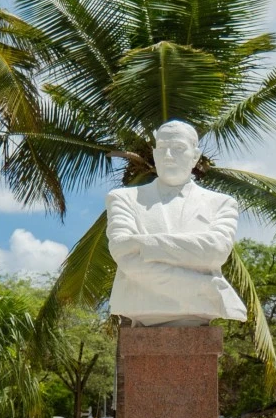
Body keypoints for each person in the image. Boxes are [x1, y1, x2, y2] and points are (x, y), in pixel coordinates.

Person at [104, 121, 247, 326]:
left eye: (178, 148)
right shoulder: (123, 198)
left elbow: (216, 251)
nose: (168, 155)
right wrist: (204, 285)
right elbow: (123, 252)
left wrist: (144, 245)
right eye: (162, 148)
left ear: (195, 156)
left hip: (198, 313)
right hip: (141, 303)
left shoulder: (221, 204)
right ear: (154, 154)